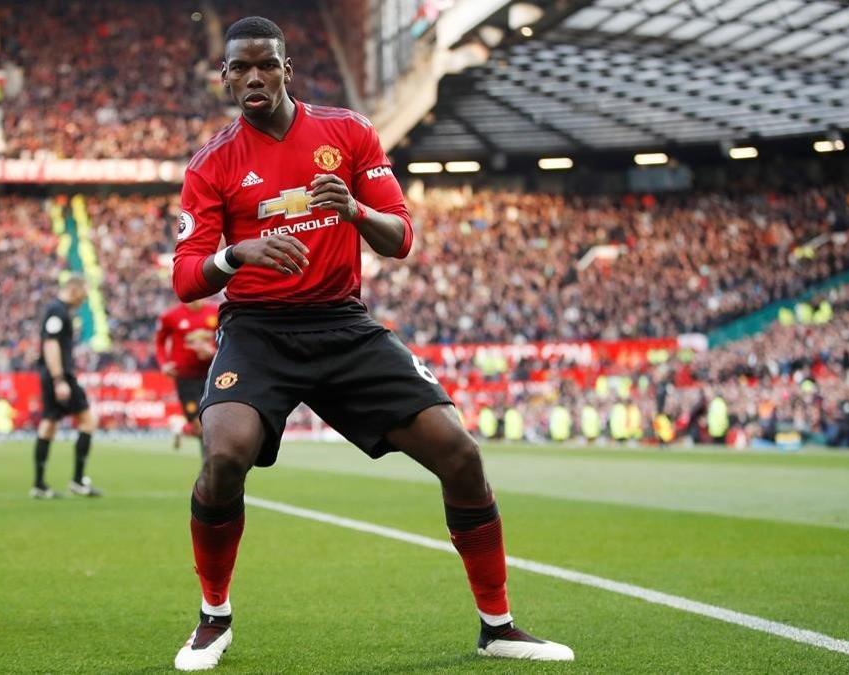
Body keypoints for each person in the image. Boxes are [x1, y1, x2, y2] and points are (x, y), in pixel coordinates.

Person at [169, 16, 573, 671]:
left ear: (286, 69)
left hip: (343, 325)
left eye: (264, 65)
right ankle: (213, 617)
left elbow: (403, 237)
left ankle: (497, 625)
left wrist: (355, 210)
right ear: (224, 78)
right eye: (239, 68)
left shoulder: (347, 132)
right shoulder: (213, 163)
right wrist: (236, 254)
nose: (252, 78)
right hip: (258, 332)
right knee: (223, 457)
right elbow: (187, 277)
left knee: (459, 452)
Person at [31, 275, 100, 498]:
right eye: (84, 292)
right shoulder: (57, 311)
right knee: (88, 420)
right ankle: (78, 481)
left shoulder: (58, 310)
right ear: (74, 289)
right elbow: (50, 344)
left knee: (49, 423)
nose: (85, 297)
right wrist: (59, 379)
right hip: (59, 375)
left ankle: (39, 485)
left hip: (53, 374)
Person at [155, 299, 219, 451]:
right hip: (185, 377)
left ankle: (209, 467)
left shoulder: (215, 312)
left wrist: (213, 352)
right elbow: (160, 341)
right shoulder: (171, 316)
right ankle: (209, 466)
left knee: (212, 422)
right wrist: (164, 363)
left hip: (212, 374)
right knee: (199, 425)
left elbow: (227, 337)